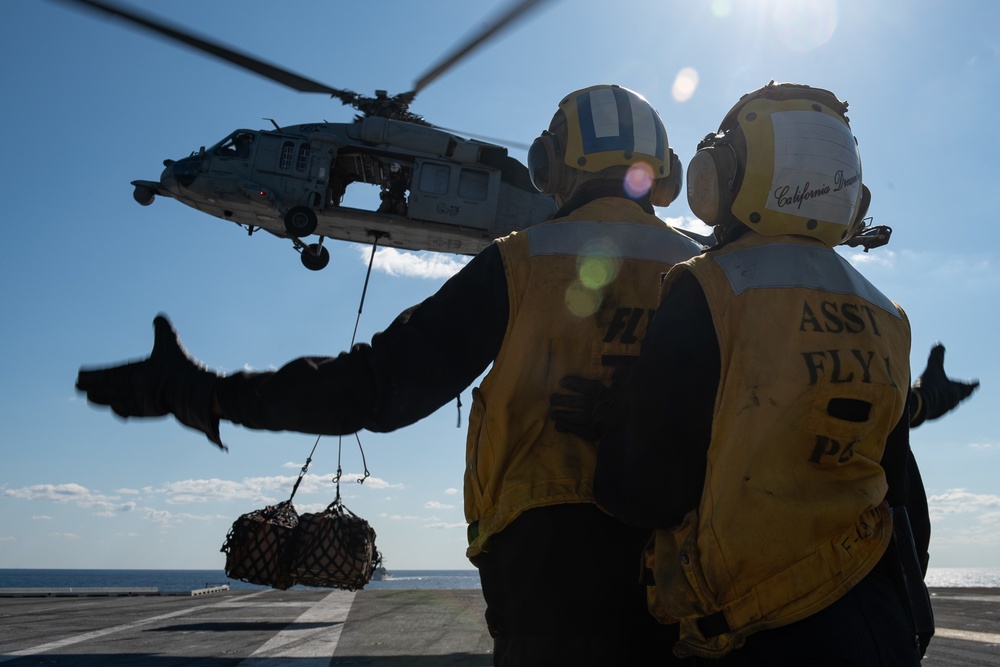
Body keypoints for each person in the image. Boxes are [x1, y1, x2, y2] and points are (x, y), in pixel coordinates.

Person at [76, 84, 704, 665]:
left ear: (548, 167)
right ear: (665, 174)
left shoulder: (524, 261)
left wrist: (201, 393)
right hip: (688, 568)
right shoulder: (708, 274)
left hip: (550, 574)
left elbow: (372, 389)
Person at [579, 81, 955, 665]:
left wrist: (611, 428)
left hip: (758, 629)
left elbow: (643, 490)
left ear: (722, 177)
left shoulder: (710, 287)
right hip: (876, 615)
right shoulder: (886, 315)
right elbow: (901, 491)